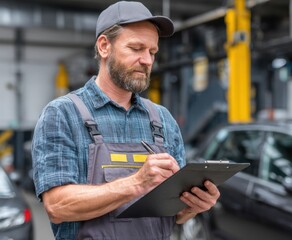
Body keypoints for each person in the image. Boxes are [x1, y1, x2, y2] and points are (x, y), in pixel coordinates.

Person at [31, 1, 220, 239]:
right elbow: (57, 207)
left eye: (152, 52)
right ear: (104, 46)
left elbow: (176, 214)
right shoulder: (63, 115)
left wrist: (195, 205)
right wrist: (137, 183)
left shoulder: (163, 120)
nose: (147, 61)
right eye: (136, 48)